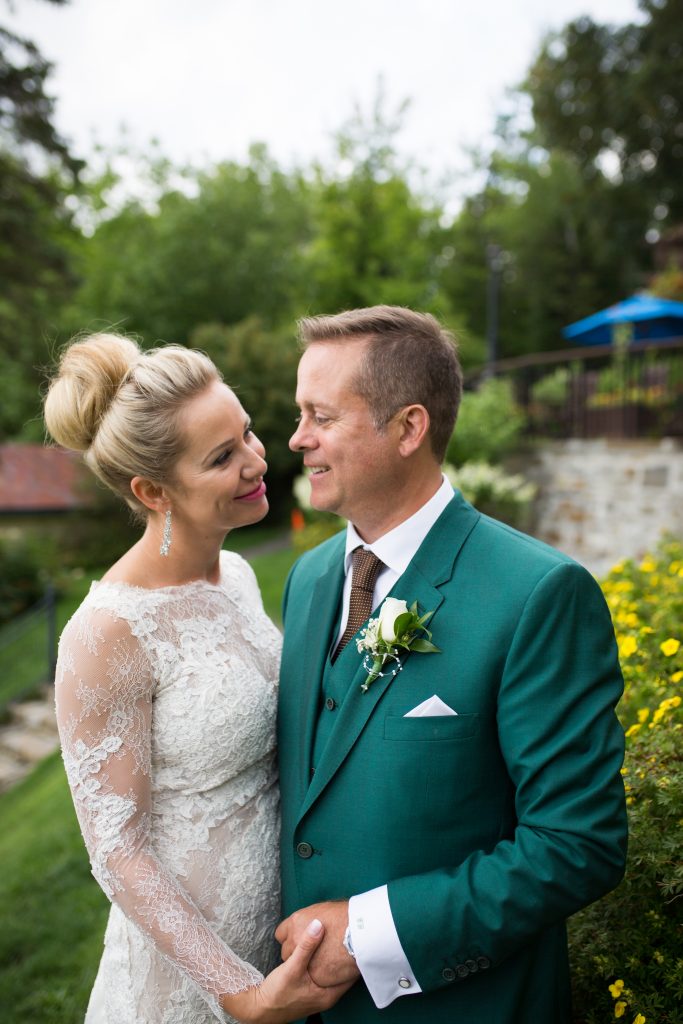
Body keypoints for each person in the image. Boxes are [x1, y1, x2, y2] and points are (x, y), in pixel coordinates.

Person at [275, 305, 627, 1024]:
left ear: (408, 428)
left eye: (321, 417)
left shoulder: (536, 593)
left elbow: (576, 843)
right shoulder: (308, 580)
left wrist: (369, 939)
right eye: (297, 415)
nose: (296, 439)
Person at [44, 333, 350, 1024]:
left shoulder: (236, 575)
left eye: (245, 433)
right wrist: (237, 993)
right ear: (152, 490)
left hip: (280, 939)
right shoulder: (106, 633)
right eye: (221, 458)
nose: (255, 460)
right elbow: (118, 852)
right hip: (190, 983)